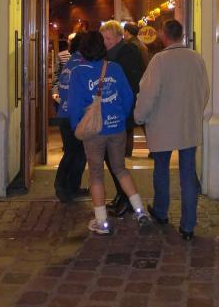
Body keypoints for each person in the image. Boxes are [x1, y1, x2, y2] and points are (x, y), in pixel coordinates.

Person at [66, 31, 153, 235]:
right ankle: (140, 211)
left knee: (96, 174)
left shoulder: (79, 72)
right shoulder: (114, 68)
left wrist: (77, 126)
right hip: (117, 127)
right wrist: (120, 116)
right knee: (120, 169)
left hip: (94, 131)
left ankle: (102, 221)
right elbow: (128, 96)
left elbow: (74, 105)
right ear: (102, 47)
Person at [134, 19, 209, 241]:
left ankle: (161, 211)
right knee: (188, 173)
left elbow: (149, 93)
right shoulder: (196, 58)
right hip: (188, 124)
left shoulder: (159, 60)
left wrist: (139, 116)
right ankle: (188, 225)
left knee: (161, 169)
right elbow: (204, 91)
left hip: (162, 124)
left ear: (164, 35)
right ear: (182, 35)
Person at [100, 20, 145, 215]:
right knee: (112, 158)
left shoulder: (127, 53)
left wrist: (125, 110)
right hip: (114, 111)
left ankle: (126, 198)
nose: (105, 42)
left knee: (115, 159)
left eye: (108, 38)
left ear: (119, 37)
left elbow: (132, 84)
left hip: (120, 111)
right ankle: (122, 194)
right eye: (103, 38)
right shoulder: (111, 53)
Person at [53, 33, 88, 204]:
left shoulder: (70, 63)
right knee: (75, 152)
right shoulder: (82, 64)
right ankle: (62, 185)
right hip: (75, 114)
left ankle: (72, 186)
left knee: (75, 152)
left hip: (65, 113)